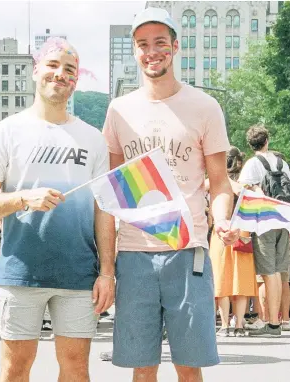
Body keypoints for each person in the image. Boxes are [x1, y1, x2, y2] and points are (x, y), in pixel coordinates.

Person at [102, 8, 239, 382]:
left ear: (175, 47)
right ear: (135, 51)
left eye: (160, 42)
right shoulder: (119, 111)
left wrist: (223, 219)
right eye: (143, 44)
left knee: (189, 366)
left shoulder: (205, 106)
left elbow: (220, 182)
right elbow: (112, 189)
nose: (152, 51)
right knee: (142, 367)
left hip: (187, 249)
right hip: (134, 253)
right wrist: (107, 267)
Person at [0, 37, 115, 382]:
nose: (59, 74)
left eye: (69, 69)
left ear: (76, 80)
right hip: (20, 271)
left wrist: (107, 272)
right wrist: (23, 198)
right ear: (36, 71)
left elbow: (104, 210)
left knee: (76, 368)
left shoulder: (92, 138)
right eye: (52, 65)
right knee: (15, 368)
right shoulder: (5, 132)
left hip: (79, 274)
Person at [238, 124, 290, 337]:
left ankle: (272, 322)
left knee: (268, 272)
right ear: (267, 140)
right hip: (284, 218)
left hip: (264, 221)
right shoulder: (282, 162)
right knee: (278, 270)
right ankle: (275, 321)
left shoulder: (252, 164)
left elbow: (243, 189)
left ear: (251, 145)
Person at [209, 147, 258, 337]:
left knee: (222, 278)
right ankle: (239, 325)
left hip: (220, 232)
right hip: (241, 231)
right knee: (241, 279)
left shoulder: (213, 182)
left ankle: (224, 326)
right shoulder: (244, 184)